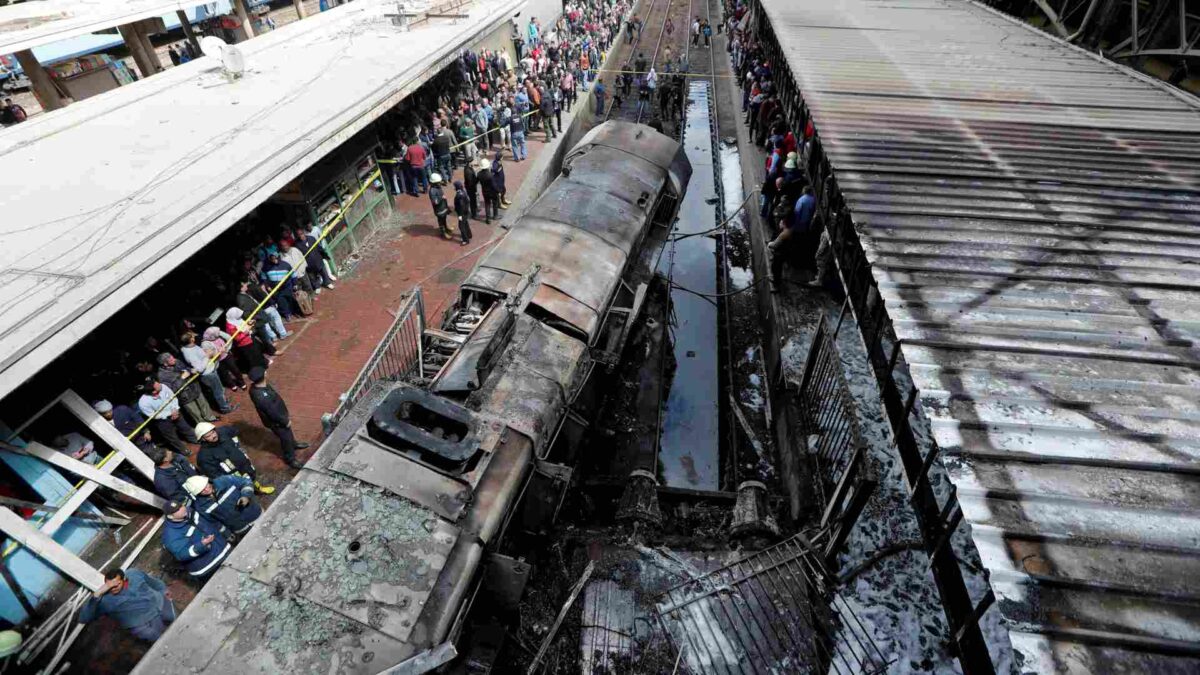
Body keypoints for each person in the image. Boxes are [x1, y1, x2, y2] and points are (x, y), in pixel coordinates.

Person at [78, 568, 175, 642]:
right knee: (161, 640)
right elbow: (84, 618)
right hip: (142, 622)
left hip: (157, 603)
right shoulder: (106, 601)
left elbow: (152, 582)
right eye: (109, 586)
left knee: (177, 618)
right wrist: (97, 594)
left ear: (124, 579)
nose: (113, 589)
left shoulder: (134, 574)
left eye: (116, 585)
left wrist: (164, 589)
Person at [248, 367, 308, 469]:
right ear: (264, 375)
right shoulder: (262, 397)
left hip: (278, 417)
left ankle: (293, 444)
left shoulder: (256, 388)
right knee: (286, 438)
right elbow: (272, 413)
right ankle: (290, 459)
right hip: (277, 421)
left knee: (288, 435)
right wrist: (285, 421)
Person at [194, 422, 274, 494]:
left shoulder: (223, 432)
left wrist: (237, 443)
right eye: (209, 436)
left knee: (251, 475)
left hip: (243, 464)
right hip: (232, 475)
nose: (214, 436)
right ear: (202, 439)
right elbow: (214, 474)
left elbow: (234, 430)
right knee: (240, 488)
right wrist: (229, 480)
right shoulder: (204, 457)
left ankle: (258, 489)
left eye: (213, 432)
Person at [161, 500, 232, 580]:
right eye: (177, 510)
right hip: (208, 566)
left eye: (181, 506)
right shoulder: (170, 536)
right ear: (171, 516)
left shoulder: (189, 511)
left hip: (222, 549)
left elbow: (208, 525)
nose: (182, 509)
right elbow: (182, 554)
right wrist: (202, 545)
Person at [768, 186, 817, 292]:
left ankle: (776, 284)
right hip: (798, 234)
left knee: (776, 266)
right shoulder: (813, 200)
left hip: (780, 251)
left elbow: (774, 244)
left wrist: (770, 244)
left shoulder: (785, 232)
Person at [183, 475, 262, 536]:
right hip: (241, 530)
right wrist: (227, 534)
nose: (206, 490)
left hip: (256, 515)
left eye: (205, 485)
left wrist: (246, 496)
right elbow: (214, 523)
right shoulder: (200, 506)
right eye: (202, 490)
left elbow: (246, 482)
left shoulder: (225, 480)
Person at [180, 332, 235, 415]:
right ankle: (225, 408)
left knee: (219, 390)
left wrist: (204, 353)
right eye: (192, 337)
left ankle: (224, 402)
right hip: (208, 374)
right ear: (191, 339)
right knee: (218, 391)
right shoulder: (189, 353)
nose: (194, 337)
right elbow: (199, 368)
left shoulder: (191, 346)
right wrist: (207, 356)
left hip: (210, 370)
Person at [138, 380, 197, 455]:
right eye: (158, 385)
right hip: (162, 420)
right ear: (154, 392)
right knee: (172, 437)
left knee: (185, 427)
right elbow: (153, 415)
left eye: (158, 383)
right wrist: (170, 413)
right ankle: (184, 451)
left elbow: (173, 397)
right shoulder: (143, 402)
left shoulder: (163, 386)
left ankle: (195, 440)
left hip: (175, 411)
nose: (161, 385)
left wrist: (175, 409)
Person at [156, 353, 216, 425]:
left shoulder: (177, 361)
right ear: (165, 364)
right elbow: (171, 390)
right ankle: (203, 426)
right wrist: (182, 378)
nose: (174, 359)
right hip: (184, 396)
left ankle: (210, 417)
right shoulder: (162, 375)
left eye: (173, 357)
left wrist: (190, 370)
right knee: (195, 412)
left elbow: (185, 368)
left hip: (194, 387)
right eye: (171, 359)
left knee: (204, 404)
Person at [225, 307, 269, 373]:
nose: (240, 316)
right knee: (253, 358)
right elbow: (237, 337)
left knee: (258, 354)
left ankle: (263, 365)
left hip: (250, 339)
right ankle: (259, 371)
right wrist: (246, 331)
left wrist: (249, 323)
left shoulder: (237, 319)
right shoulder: (230, 326)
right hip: (245, 344)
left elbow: (243, 325)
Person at [428, 173, 452, 240]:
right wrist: (442, 198)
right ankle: (443, 232)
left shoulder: (438, 187)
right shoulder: (432, 191)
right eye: (438, 182)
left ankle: (446, 227)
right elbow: (435, 202)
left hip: (443, 206)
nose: (440, 183)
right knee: (441, 221)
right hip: (439, 209)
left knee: (444, 219)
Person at [478, 158, 499, 224]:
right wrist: (498, 191)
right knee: (495, 203)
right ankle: (495, 216)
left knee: (487, 204)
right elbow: (494, 185)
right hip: (492, 192)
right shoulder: (490, 175)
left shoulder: (479, 174)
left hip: (484, 191)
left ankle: (488, 219)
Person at [453, 180, 473, 246]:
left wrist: (460, 215)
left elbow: (461, 206)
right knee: (465, 223)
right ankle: (469, 234)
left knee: (461, 226)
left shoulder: (459, 195)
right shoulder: (463, 192)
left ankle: (465, 240)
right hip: (466, 212)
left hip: (462, 213)